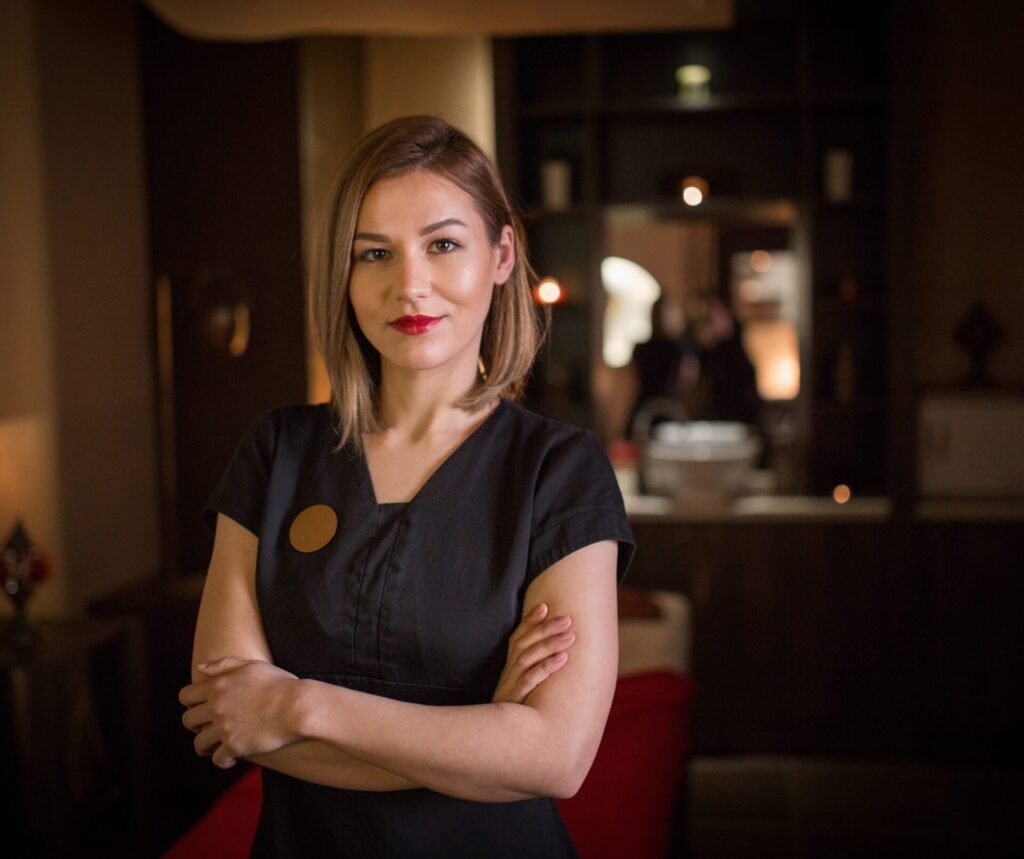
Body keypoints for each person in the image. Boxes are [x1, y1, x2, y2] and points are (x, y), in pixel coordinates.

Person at [178, 115, 635, 858]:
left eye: (444, 244)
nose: (409, 284)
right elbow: (228, 719)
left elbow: (556, 757)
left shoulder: (560, 471)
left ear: (502, 254)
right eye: (374, 253)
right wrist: (479, 736)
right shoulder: (277, 450)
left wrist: (300, 702)